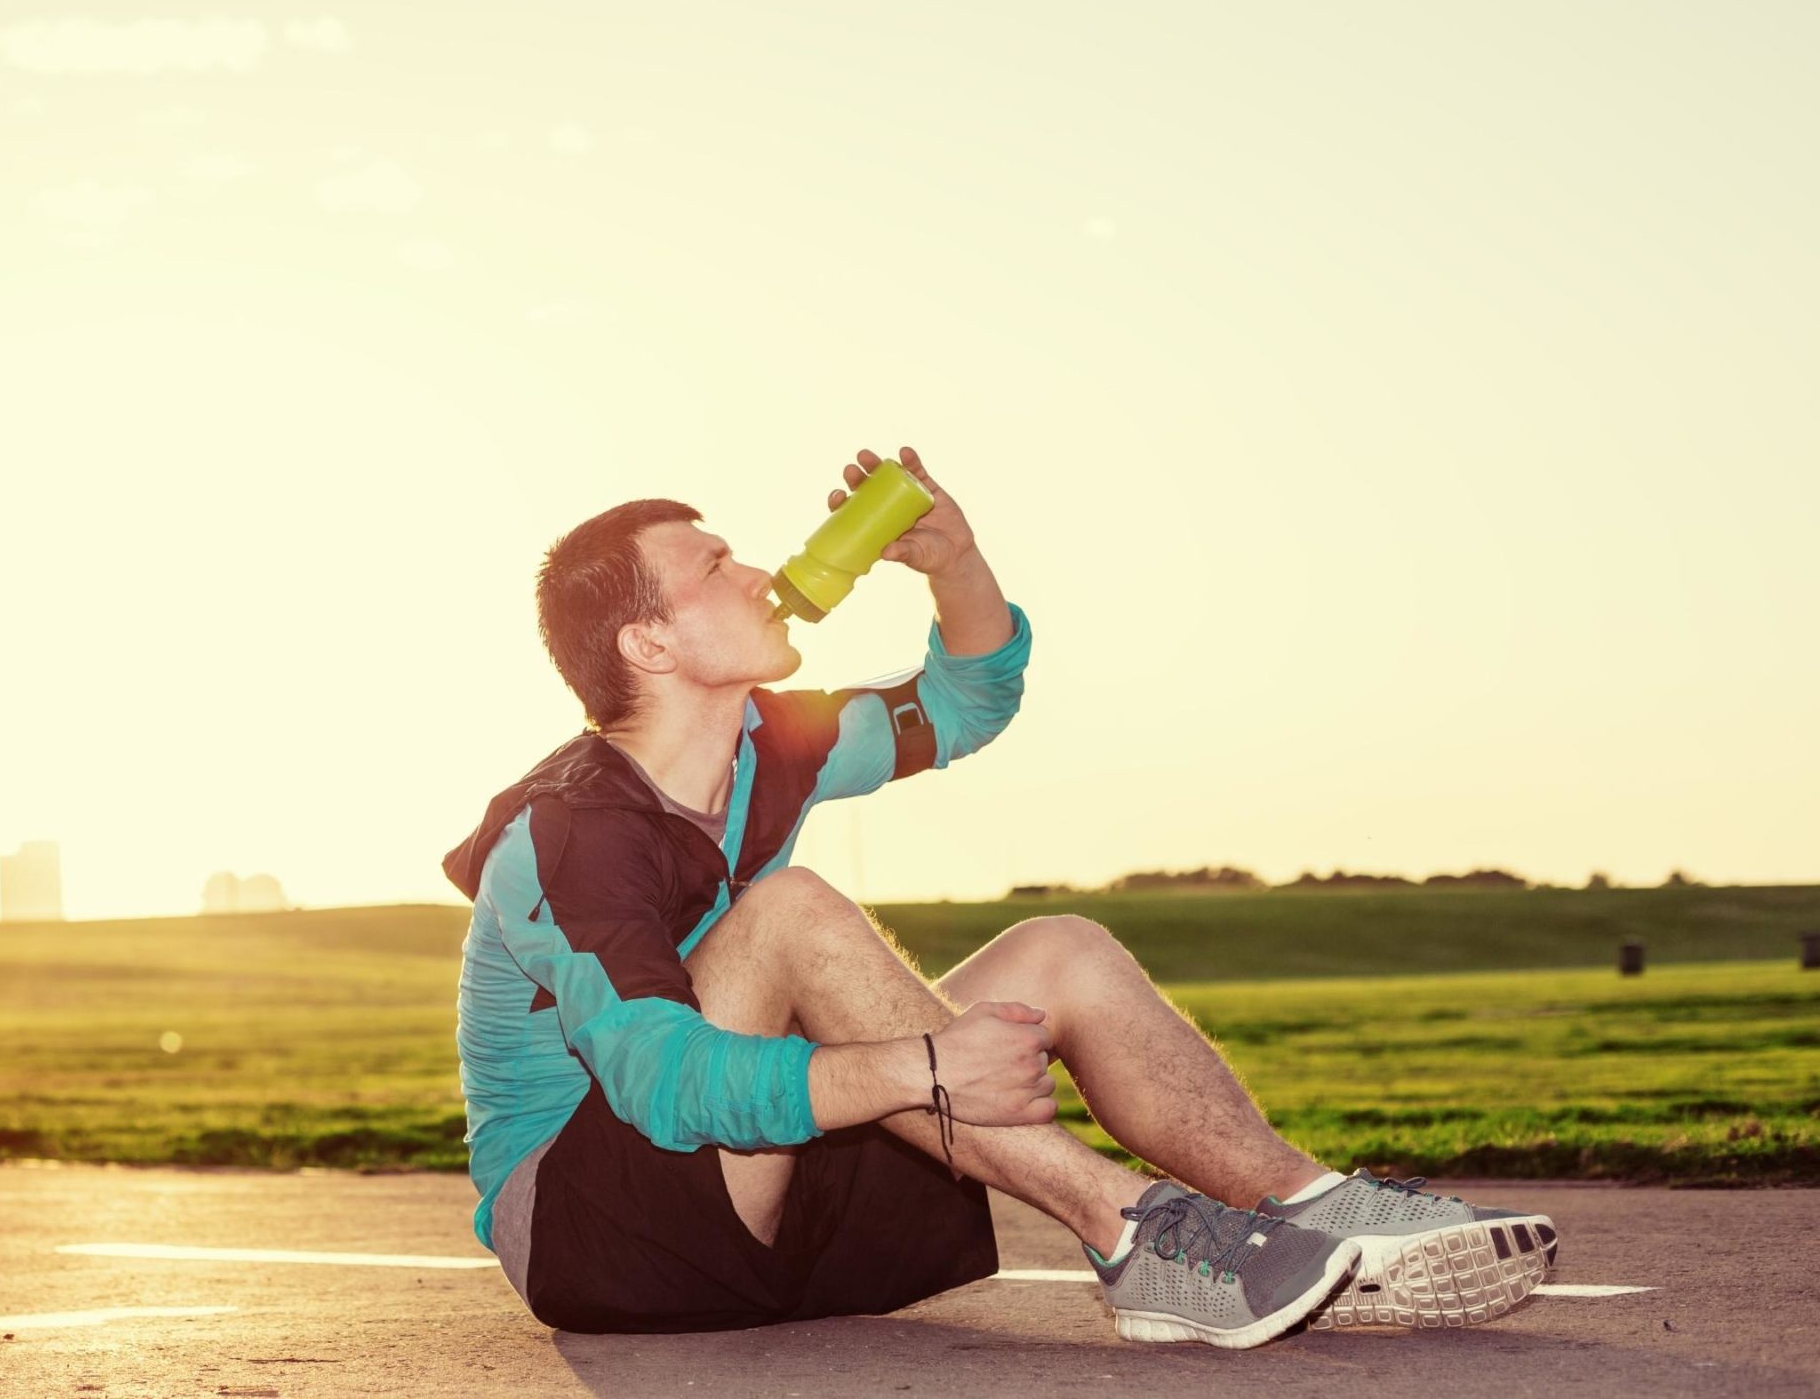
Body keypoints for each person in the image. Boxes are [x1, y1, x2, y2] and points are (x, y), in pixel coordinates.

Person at [440, 446, 1560, 1343]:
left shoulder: (769, 745)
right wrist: (923, 1066)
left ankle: (1312, 1208)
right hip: (604, 1236)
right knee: (789, 916)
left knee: (1057, 948)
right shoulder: (564, 833)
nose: (754, 571)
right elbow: (661, 1080)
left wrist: (953, 561)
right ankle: (1136, 1239)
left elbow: (967, 701)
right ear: (648, 642)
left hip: (767, 1215)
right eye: (714, 567)